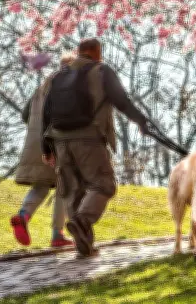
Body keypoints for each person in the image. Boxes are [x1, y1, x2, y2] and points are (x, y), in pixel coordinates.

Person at [42, 38, 149, 258]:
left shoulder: (57, 76)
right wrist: (141, 121)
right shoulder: (101, 71)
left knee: (73, 191)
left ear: (78, 52)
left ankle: (84, 245)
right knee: (104, 184)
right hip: (89, 139)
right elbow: (121, 100)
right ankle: (82, 221)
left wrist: (46, 148)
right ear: (97, 52)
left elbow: (46, 113)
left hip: (60, 141)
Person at [10, 53, 76, 248]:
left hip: (36, 146)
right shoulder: (68, 89)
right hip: (57, 144)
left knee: (41, 185)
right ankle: (58, 233)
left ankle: (23, 216)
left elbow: (25, 114)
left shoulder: (42, 87)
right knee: (65, 187)